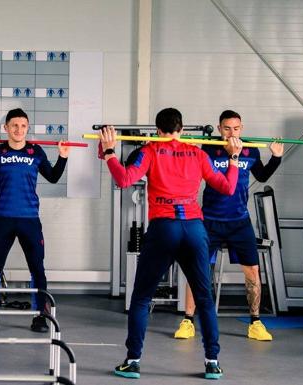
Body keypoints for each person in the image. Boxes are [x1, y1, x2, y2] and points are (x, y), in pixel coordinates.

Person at [100, 108, 242, 379]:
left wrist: (109, 152)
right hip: (194, 229)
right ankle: (212, 362)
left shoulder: (151, 150)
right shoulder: (198, 153)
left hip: (164, 228)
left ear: (158, 130)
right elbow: (227, 188)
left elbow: (124, 179)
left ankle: (133, 361)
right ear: (182, 128)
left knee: (141, 297)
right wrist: (233, 158)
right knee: (205, 298)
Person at [174, 110, 283, 341]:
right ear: (219, 127)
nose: (231, 133)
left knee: (253, 271)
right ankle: (187, 321)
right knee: (198, 269)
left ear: (241, 128)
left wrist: (276, 158)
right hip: (210, 221)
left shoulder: (250, 149)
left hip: (239, 222)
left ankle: (255, 323)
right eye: (226, 128)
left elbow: (262, 176)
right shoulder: (207, 148)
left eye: (235, 128)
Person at [0, 108, 69, 333]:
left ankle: (40, 317)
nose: (18, 130)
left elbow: (53, 177)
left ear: (27, 128)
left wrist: (63, 157)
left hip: (30, 220)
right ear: (6, 128)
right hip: (3, 219)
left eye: (23, 126)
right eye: (14, 126)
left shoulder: (36, 152)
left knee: (37, 269)